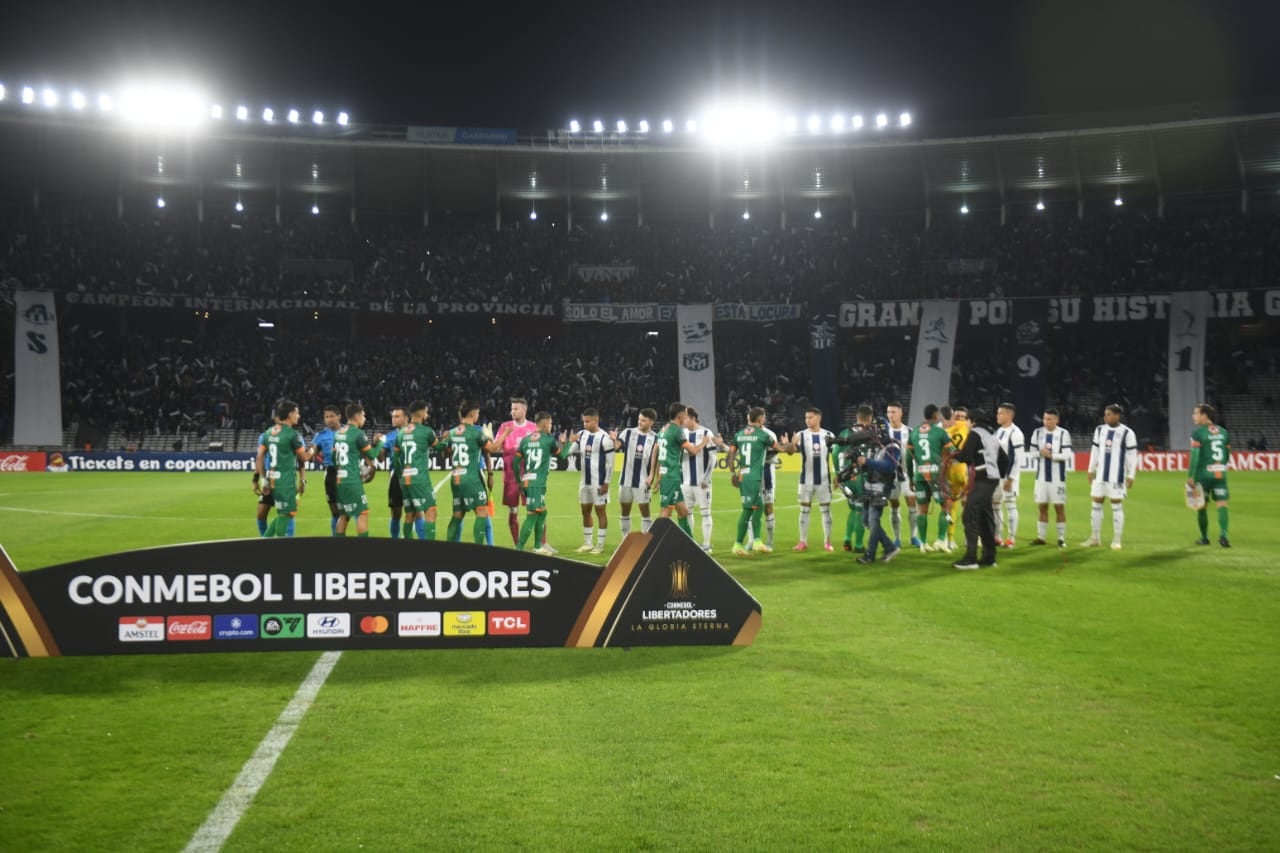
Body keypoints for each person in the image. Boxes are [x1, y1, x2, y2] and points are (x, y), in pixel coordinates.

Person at [950, 408, 1005, 570]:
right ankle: (989, 557)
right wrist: (998, 474)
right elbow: (1004, 460)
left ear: (972, 421)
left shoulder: (975, 433)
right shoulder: (992, 436)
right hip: (991, 480)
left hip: (982, 479)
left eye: (967, 419)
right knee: (985, 516)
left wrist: (954, 453)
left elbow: (966, 457)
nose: (965, 422)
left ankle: (971, 558)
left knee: (969, 514)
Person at [650, 402, 714, 540]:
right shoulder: (677, 431)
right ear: (680, 416)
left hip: (667, 475)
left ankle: (690, 544)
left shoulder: (663, 429)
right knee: (665, 513)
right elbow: (693, 451)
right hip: (672, 476)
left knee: (683, 512)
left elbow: (658, 452)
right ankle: (652, 545)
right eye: (685, 415)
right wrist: (704, 442)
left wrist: (656, 477)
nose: (686, 418)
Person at [728, 407, 786, 555]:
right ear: (761, 419)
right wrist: (788, 443)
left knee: (753, 508)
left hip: (743, 475)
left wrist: (732, 474)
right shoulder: (763, 435)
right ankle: (753, 542)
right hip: (754, 476)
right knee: (754, 508)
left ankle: (746, 543)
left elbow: (731, 453)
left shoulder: (739, 434)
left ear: (749, 419)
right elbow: (782, 449)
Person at [513, 412, 572, 554]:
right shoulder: (548, 440)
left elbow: (515, 463)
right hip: (537, 484)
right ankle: (519, 548)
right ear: (545, 424)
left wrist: (519, 481)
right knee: (532, 515)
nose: (551, 426)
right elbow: (563, 456)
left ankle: (538, 546)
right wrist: (569, 442)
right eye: (550, 423)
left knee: (542, 512)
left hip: (528, 481)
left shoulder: (525, 440)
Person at [255, 400, 315, 538]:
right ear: (290, 414)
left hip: (271, 479)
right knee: (287, 513)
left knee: (284, 514)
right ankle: (274, 546)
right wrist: (311, 450)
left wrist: (263, 479)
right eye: (297, 413)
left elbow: (259, 457)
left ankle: (266, 543)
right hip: (285, 481)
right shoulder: (292, 435)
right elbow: (304, 458)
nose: (298, 416)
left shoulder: (269, 432)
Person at [445, 400, 502, 545]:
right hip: (472, 478)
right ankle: (480, 550)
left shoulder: (451, 433)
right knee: (482, 512)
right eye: (477, 413)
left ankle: (447, 549)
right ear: (472, 413)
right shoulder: (476, 433)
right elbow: (493, 449)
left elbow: (445, 453)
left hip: (456, 479)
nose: (478, 415)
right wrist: (505, 433)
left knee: (457, 515)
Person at [1084, 403, 1139, 549]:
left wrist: (1131, 474)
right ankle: (1095, 538)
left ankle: (1117, 540)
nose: (1105, 417)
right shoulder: (1100, 430)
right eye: (1105, 414)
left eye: (1108, 414)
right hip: (1100, 475)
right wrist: (1090, 470)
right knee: (1096, 504)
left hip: (1117, 476)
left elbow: (1132, 456)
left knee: (1116, 506)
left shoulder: (1127, 433)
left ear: (1117, 416)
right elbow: (1095, 451)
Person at [787, 406, 837, 552]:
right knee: (804, 511)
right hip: (805, 480)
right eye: (806, 418)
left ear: (818, 418)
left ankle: (827, 542)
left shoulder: (828, 435)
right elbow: (790, 452)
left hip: (824, 480)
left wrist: (838, 475)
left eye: (810, 417)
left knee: (826, 511)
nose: (807, 420)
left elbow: (836, 454)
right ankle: (803, 541)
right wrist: (791, 443)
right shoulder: (801, 435)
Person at [906, 404, 954, 553]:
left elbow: (908, 458)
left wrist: (911, 478)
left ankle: (923, 543)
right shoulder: (940, 432)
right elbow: (951, 453)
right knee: (946, 504)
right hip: (936, 475)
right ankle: (940, 540)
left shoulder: (913, 433)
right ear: (936, 415)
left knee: (922, 510)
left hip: (920, 476)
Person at [493, 397, 540, 546]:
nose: (512, 411)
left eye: (516, 409)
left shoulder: (534, 427)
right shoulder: (505, 426)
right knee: (513, 511)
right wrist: (505, 434)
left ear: (524, 410)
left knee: (537, 509)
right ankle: (517, 544)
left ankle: (541, 544)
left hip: (530, 476)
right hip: (511, 476)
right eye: (512, 408)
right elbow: (496, 447)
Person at [332, 403, 384, 537]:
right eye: (363, 415)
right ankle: (363, 549)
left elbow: (333, 458)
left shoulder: (338, 433)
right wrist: (380, 443)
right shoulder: (358, 434)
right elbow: (372, 455)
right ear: (357, 416)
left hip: (339, 480)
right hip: (351, 480)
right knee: (362, 513)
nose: (364, 418)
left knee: (344, 515)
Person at [392, 400, 440, 541]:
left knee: (410, 514)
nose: (427, 413)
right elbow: (439, 448)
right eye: (426, 411)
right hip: (420, 479)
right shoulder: (426, 431)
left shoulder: (400, 433)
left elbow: (395, 458)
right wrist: (447, 440)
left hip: (405, 479)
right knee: (431, 510)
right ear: (420, 412)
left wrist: (400, 477)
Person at [573, 407, 616, 554]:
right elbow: (571, 450)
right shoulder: (581, 435)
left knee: (600, 512)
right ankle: (587, 543)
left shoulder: (605, 438)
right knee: (585, 511)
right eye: (583, 421)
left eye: (587, 421)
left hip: (599, 482)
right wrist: (566, 443)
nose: (584, 424)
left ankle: (600, 544)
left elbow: (611, 463)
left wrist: (606, 483)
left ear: (596, 421)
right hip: (584, 482)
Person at [1188, 403, 1231, 547]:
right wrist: (1220, 466)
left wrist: (1190, 476)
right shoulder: (1224, 432)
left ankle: (1205, 538)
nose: (1193, 416)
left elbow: (1194, 456)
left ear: (1204, 415)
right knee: (1222, 504)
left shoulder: (1198, 434)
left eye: (1196, 413)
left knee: (1201, 506)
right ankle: (1224, 535)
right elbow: (1227, 456)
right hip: (1219, 473)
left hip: (1203, 475)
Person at [1029, 407, 1072, 548]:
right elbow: (1032, 453)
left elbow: (1066, 455)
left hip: (1057, 479)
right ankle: (1041, 537)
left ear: (1056, 420)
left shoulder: (1063, 434)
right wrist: (1040, 452)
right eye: (1044, 418)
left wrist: (1051, 455)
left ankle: (1061, 538)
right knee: (1042, 507)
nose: (1046, 421)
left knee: (1059, 508)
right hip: (1041, 478)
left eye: (1049, 419)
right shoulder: (1037, 433)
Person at [681, 407, 721, 553]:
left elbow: (713, 458)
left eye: (685, 417)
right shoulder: (682, 433)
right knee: (687, 513)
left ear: (692, 418)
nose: (683, 420)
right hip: (685, 481)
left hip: (701, 483)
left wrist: (707, 477)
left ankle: (706, 544)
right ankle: (691, 542)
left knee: (705, 513)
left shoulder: (706, 433)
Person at [615, 407, 659, 537]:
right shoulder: (628, 432)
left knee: (645, 512)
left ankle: (645, 541)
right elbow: (617, 447)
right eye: (639, 419)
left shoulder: (656, 438)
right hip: (625, 480)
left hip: (643, 481)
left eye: (643, 420)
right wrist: (614, 439)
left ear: (651, 422)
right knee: (624, 511)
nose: (640, 422)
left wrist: (653, 477)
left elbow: (656, 460)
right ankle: (625, 540)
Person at [885, 401, 920, 548]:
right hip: (890, 476)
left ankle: (913, 537)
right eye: (888, 412)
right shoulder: (884, 433)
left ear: (901, 413)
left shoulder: (911, 432)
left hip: (907, 474)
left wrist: (916, 475)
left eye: (893, 412)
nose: (891, 415)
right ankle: (897, 538)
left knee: (912, 503)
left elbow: (916, 454)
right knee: (894, 505)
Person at [993, 402, 1026, 547]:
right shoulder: (998, 431)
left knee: (1010, 505)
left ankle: (1011, 539)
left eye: (1000, 413)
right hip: (996, 475)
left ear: (1009, 415)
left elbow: (1018, 458)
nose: (997, 415)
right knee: (995, 505)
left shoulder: (1016, 433)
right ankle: (997, 536)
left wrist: (1011, 478)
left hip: (1008, 476)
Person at [941, 405, 971, 552]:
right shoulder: (968, 428)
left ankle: (950, 539)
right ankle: (966, 538)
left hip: (951, 469)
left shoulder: (944, 430)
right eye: (957, 416)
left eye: (962, 417)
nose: (959, 420)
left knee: (952, 506)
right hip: (962, 469)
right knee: (966, 505)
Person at [311, 404, 343, 535]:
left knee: (350, 510)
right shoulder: (321, 435)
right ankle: (335, 539)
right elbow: (311, 453)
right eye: (326, 417)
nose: (329, 419)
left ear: (339, 416)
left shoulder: (349, 431)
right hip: (330, 473)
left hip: (347, 473)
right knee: (335, 510)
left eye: (332, 416)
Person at [383, 406, 407, 538]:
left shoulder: (414, 433)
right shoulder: (389, 436)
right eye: (393, 416)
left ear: (406, 418)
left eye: (397, 416)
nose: (393, 419)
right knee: (396, 511)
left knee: (416, 511)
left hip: (413, 474)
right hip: (395, 476)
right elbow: (380, 456)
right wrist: (378, 444)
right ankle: (395, 541)